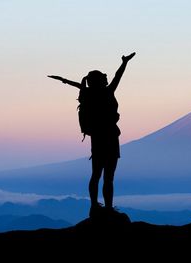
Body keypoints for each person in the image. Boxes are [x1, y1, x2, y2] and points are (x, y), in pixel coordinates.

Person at [49, 52, 135, 217]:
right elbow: (118, 76)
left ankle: (94, 205)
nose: (107, 79)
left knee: (96, 174)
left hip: (97, 138)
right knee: (109, 176)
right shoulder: (108, 92)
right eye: (104, 78)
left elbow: (79, 86)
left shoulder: (88, 94)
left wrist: (64, 80)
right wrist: (125, 63)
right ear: (100, 81)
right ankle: (108, 208)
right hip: (110, 137)